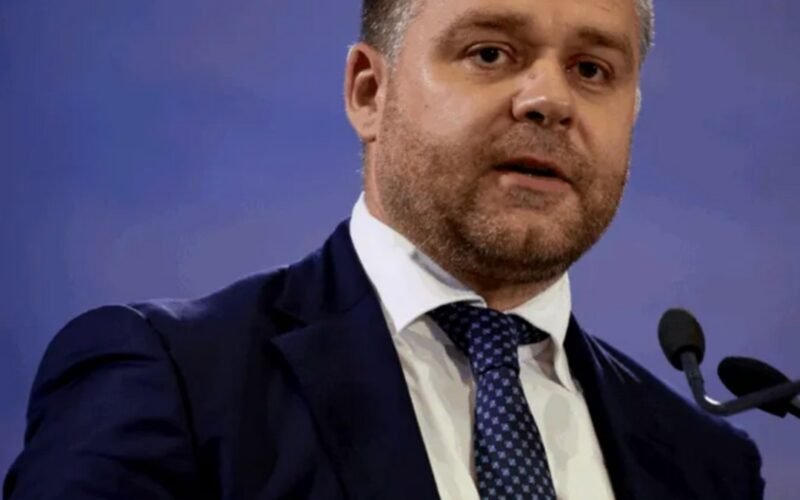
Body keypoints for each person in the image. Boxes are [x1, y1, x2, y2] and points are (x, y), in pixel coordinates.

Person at [4, 0, 765, 498]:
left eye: (592, 70)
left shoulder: (707, 466)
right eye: (490, 53)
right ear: (370, 92)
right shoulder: (169, 380)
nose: (549, 100)